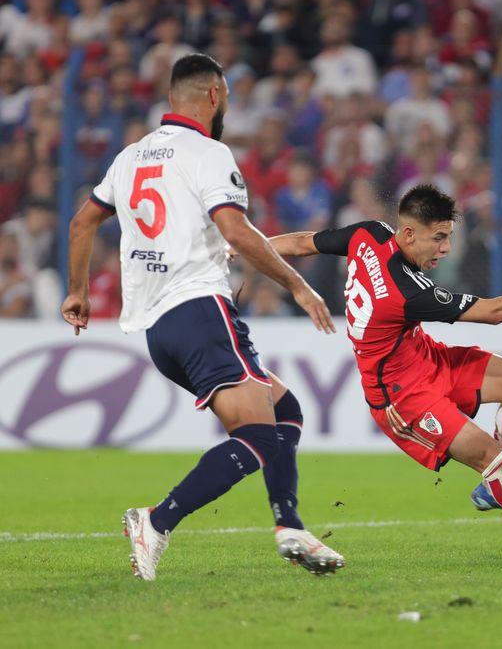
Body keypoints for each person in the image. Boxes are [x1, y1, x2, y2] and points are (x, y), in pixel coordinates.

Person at [60, 54, 344, 581]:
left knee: (286, 412)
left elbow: (82, 223)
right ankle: (157, 519)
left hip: (158, 329)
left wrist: (78, 293)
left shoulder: (130, 157)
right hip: (200, 310)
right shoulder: (210, 153)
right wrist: (300, 286)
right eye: (228, 97)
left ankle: (290, 524)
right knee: (260, 437)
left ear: (172, 100)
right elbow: (236, 231)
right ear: (216, 96)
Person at [263, 183, 502, 554]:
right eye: (438, 237)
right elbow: (494, 313)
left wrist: (242, 245)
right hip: (403, 397)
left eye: (449, 236)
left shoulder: (369, 234)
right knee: (493, 459)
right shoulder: (406, 292)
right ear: (408, 233)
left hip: (427, 358)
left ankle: (496, 485)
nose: (446, 248)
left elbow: (300, 243)